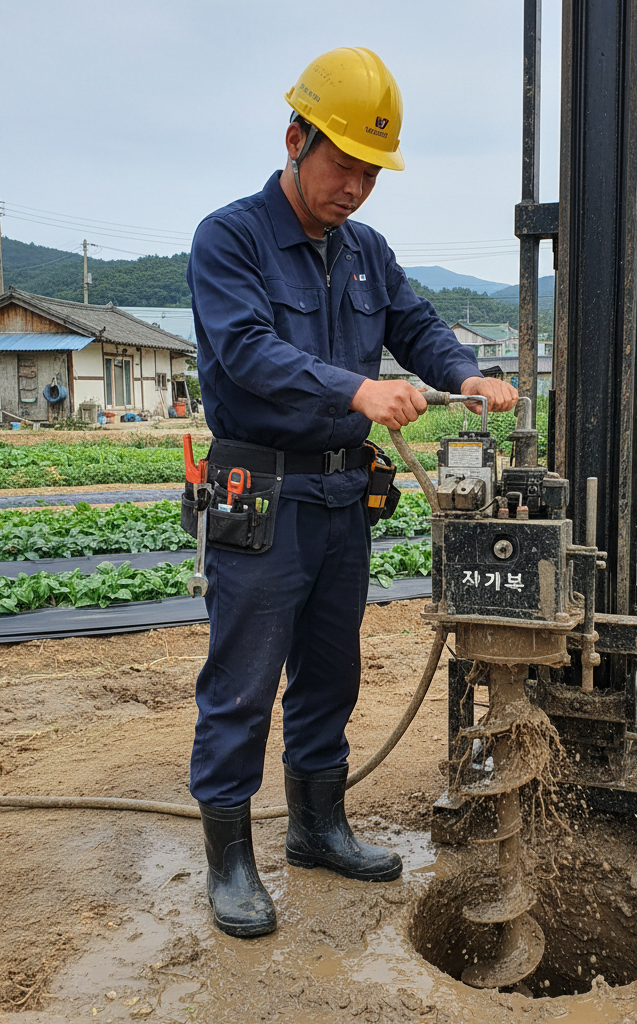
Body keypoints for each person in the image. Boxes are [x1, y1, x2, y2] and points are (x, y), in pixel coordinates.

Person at [186, 46, 518, 938]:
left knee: (330, 674)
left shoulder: (367, 250)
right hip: (262, 497)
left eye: (371, 173)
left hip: (342, 498)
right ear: (296, 139)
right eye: (343, 166)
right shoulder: (230, 239)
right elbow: (248, 350)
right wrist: (355, 389)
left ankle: (318, 828)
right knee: (243, 684)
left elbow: (414, 324)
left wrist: (466, 373)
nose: (356, 188)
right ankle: (230, 863)